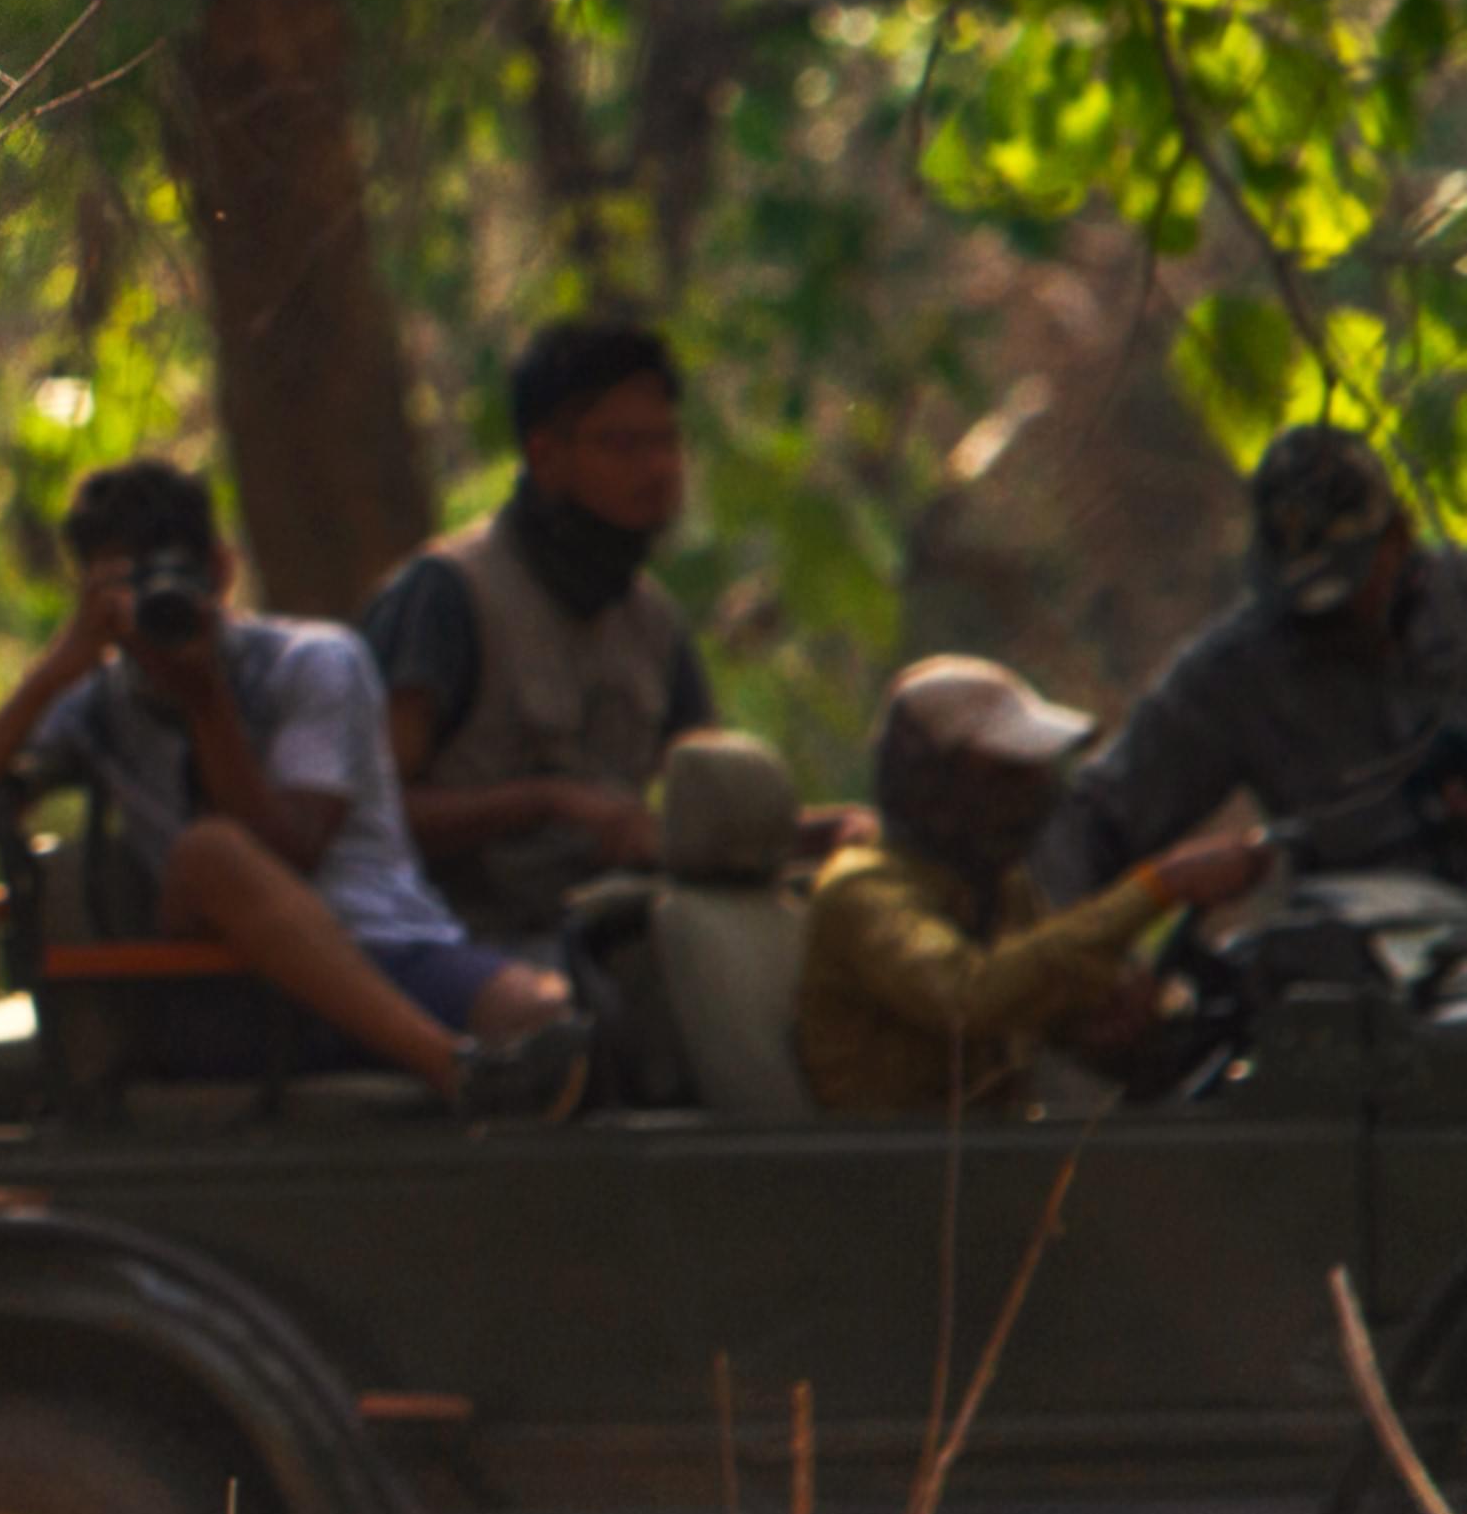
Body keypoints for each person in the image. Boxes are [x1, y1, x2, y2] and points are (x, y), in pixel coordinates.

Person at [0, 457, 591, 1115]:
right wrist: (52, 671)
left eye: (168, 578)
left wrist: (205, 698)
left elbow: (294, 846)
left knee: (546, 1019)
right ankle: (453, 1067)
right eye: (126, 584)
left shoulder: (311, 662)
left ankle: (471, 1080)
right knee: (211, 852)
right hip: (223, 988)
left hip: (385, 948)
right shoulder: (95, 704)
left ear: (219, 570)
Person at [359, 316, 720, 956]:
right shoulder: (448, 595)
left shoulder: (653, 619)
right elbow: (370, 814)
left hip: (617, 929)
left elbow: (712, 795)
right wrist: (546, 803)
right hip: (463, 944)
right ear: (546, 455)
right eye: (624, 445)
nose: (659, 468)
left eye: (666, 442)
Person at [802, 656, 1269, 1115]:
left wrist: (1120, 1026)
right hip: (888, 1181)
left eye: (1036, 771)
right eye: (1006, 774)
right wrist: (1159, 887)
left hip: (984, 1169)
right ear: (931, 783)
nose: (1035, 791)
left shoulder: (999, 888)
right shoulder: (863, 891)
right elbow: (966, 996)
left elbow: (1047, 1002)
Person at [1041, 420, 1467, 897]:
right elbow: (1097, 818)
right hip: (1361, 944)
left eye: (1350, 584)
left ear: (1399, 535)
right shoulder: (1241, 670)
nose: (1329, 618)